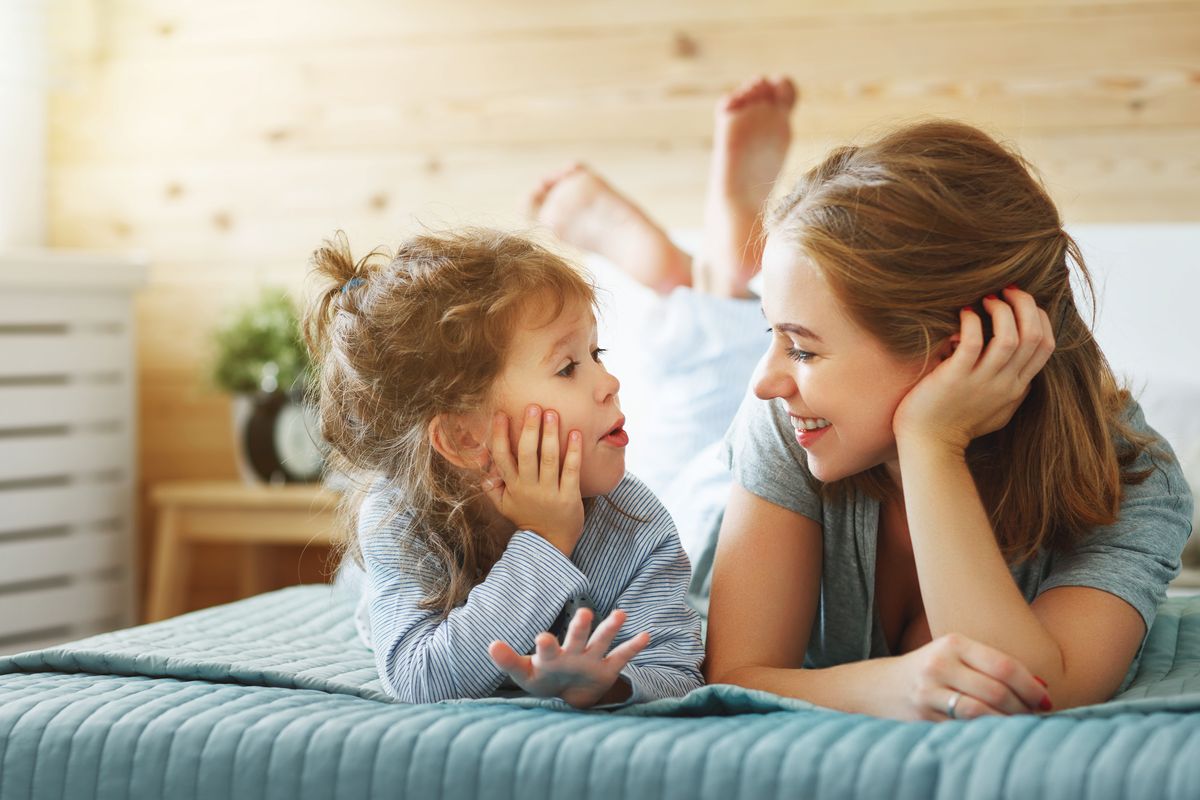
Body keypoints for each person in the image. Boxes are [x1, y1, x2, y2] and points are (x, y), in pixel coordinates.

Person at [528, 77, 1193, 722]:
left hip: (833, 427)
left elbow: (1034, 695)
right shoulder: (783, 419)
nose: (768, 381)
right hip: (708, 505)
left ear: (959, 348)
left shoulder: (1133, 481)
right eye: (781, 337)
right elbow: (733, 672)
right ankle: (713, 271)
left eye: (804, 349)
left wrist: (932, 444)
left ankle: (722, 280)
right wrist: (888, 688)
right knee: (700, 409)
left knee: (721, 375)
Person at [303, 229, 704, 708]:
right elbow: (421, 679)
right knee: (363, 588)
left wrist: (608, 683)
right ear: (464, 437)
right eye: (567, 368)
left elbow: (679, 669)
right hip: (387, 573)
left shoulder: (635, 523)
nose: (610, 382)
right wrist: (544, 541)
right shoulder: (399, 518)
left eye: (597, 355)